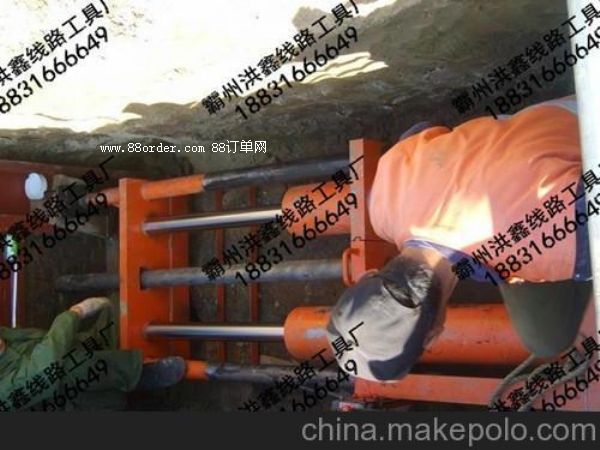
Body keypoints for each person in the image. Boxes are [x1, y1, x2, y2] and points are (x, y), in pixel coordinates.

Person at [327, 95, 593, 382]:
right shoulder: (382, 205)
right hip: (539, 121)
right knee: (545, 336)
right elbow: (421, 130)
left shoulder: (559, 244)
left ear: (433, 336)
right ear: (367, 273)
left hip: (587, 122)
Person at [0, 297, 186, 411]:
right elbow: (44, 368)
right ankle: (143, 374)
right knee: (65, 367)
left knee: (120, 304)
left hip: (96, 364)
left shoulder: (7, 336)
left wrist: (108, 316)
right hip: (90, 401)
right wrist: (74, 314)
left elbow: (62, 343)